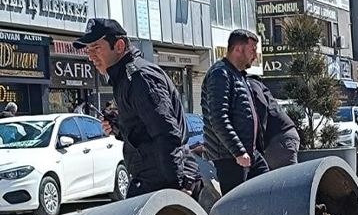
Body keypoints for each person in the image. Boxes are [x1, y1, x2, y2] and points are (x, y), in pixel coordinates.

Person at [74, 18, 200, 199]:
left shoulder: (140, 78)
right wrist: (118, 127)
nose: (90, 56)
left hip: (166, 180)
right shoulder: (125, 79)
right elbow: (143, 132)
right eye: (88, 50)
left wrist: (178, 186)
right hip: (153, 177)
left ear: (118, 45)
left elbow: (166, 133)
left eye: (96, 48)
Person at [201, 29, 269, 194]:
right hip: (230, 157)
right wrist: (238, 151)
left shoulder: (238, 75)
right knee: (237, 204)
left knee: (268, 189)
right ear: (238, 49)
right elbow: (218, 117)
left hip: (249, 153)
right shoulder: (220, 74)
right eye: (252, 50)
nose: (255, 55)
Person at [247, 76, 299, 170]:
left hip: (277, 137)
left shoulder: (250, 84)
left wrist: (259, 142)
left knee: (285, 179)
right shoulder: (253, 84)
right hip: (280, 135)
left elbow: (261, 108)